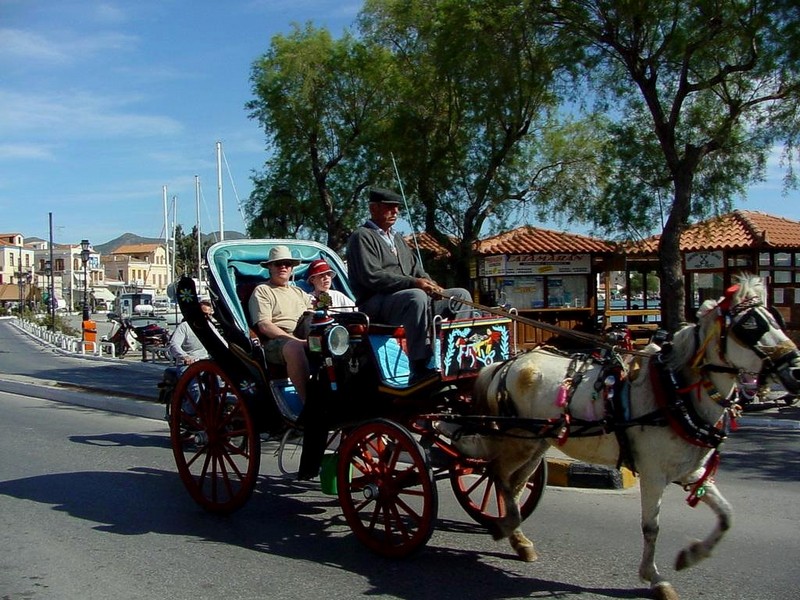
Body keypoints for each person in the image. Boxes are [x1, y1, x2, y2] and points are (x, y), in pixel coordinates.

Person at [346, 187, 472, 384]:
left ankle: (459, 355)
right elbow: (372, 277)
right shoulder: (361, 237)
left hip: (408, 300)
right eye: (389, 207)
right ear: (374, 209)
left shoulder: (397, 239)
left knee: (459, 295)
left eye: (397, 208)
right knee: (416, 296)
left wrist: (433, 285)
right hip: (376, 304)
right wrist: (415, 283)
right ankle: (419, 365)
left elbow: (416, 269)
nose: (395, 212)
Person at [248, 245, 314, 403]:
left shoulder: (299, 292)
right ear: (270, 267)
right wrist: (297, 342)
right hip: (274, 342)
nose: (283, 267)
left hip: (303, 335)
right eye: (278, 264)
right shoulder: (263, 291)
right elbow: (264, 325)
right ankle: (309, 406)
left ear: (292, 269)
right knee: (295, 348)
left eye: (287, 263)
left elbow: (313, 317)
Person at [168, 298, 213, 366]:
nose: (207, 317)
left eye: (209, 315)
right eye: (204, 314)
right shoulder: (184, 326)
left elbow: (221, 341)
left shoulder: (210, 327)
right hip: (187, 365)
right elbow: (174, 344)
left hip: (205, 363)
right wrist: (185, 357)